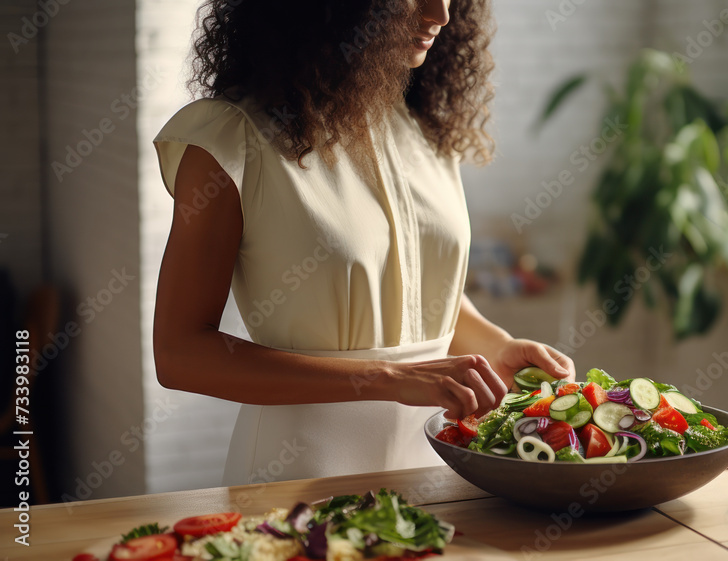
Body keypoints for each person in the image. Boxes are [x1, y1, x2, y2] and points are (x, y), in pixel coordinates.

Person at [151, 0, 575, 486]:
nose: (440, 14)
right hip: (299, 472)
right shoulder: (232, 136)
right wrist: (388, 380)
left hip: (440, 464)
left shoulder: (424, 128)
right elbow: (180, 353)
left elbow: (414, 293)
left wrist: (498, 350)